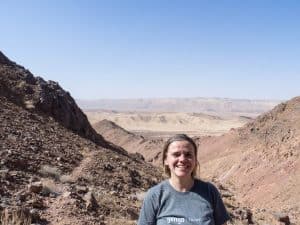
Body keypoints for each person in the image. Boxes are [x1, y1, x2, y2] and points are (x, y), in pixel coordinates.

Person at [137, 134, 230, 225]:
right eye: (176, 154)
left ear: (195, 159)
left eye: (188, 154)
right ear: (166, 160)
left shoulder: (210, 192)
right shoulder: (155, 196)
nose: (182, 159)